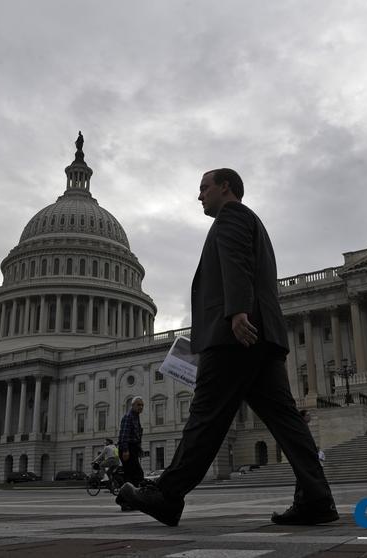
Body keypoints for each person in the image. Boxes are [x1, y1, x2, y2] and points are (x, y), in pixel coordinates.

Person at [117, 168, 338, 526]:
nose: (199, 195)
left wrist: (236, 312)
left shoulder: (232, 216)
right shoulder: (253, 221)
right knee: (286, 421)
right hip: (262, 337)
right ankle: (317, 497)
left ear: (225, 187)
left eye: (204, 187)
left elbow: (236, 263)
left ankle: (167, 496)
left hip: (234, 335)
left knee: (206, 417)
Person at [117, 397, 145, 510]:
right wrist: (125, 450)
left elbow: (136, 436)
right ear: (132, 405)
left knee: (133, 475)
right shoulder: (128, 417)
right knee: (136, 475)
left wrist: (139, 449)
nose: (141, 407)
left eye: (142, 405)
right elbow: (124, 435)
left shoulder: (136, 417)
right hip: (127, 448)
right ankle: (123, 500)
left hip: (132, 448)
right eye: (138, 405)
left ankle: (127, 501)